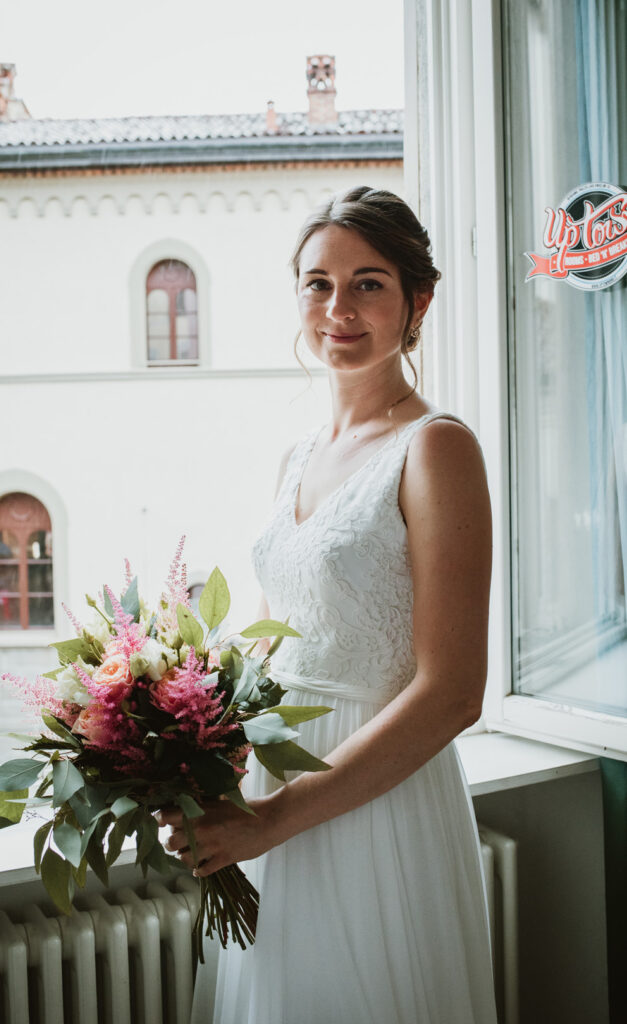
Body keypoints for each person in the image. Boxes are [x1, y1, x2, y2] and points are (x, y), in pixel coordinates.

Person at [158, 186, 499, 1024]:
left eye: (367, 283)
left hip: (375, 801)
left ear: (418, 300)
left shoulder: (437, 447)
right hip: (273, 791)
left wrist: (274, 820)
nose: (337, 308)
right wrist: (208, 752)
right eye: (317, 284)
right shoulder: (297, 457)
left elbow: (452, 692)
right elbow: (281, 644)